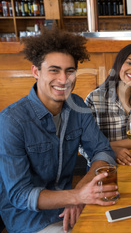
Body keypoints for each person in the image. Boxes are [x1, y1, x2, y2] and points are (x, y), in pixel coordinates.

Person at [0, 27, 117, 233]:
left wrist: (79, 192)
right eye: (54, 70)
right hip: (31, 220)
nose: (63, 80)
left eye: (69, 71)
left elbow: (103, 151)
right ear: (36, 72)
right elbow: (20, 195)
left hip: (73, 205)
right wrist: (76, 196)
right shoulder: (11, 121)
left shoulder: (77, 105)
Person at [83, 43, 131, 166]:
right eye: (129, 63)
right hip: (103, 164)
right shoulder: (95, 97)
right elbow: (83, 143)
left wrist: (106, 146)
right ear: (119, 64)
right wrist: (111, 152)